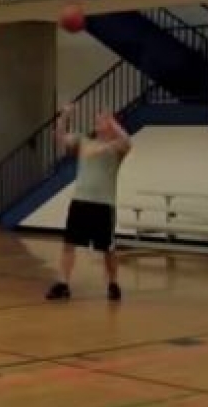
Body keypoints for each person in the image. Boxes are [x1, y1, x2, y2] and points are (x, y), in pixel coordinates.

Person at [45, 105, 132, 302]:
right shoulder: (84, 142)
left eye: (103, 120)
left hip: (103, 204)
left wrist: (113, 124)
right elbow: (59, 137)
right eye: (98, 119)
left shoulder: (116, 148)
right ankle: (63, 284)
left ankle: (113, 283)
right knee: (69, 243)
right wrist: (65, 115)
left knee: (107, 248)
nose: (98, 122)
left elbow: (127, 142)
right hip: (80, 201)